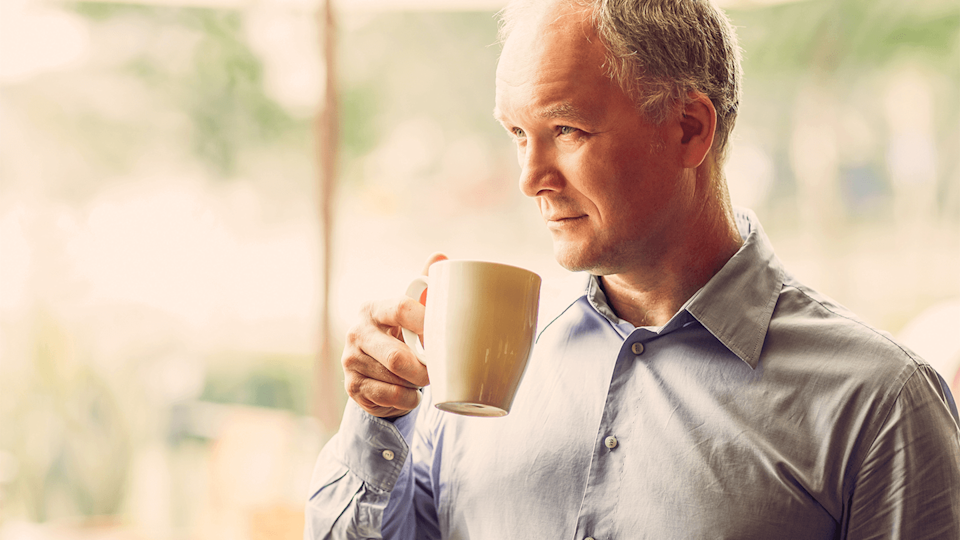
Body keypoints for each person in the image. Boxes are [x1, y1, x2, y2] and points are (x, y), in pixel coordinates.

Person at [305, 0, 960, 538]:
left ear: (688, 130)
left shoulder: (881, 405)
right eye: (516, 134)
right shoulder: (469, 374)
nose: (530, 178)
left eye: (566, 130)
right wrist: (376, 419)